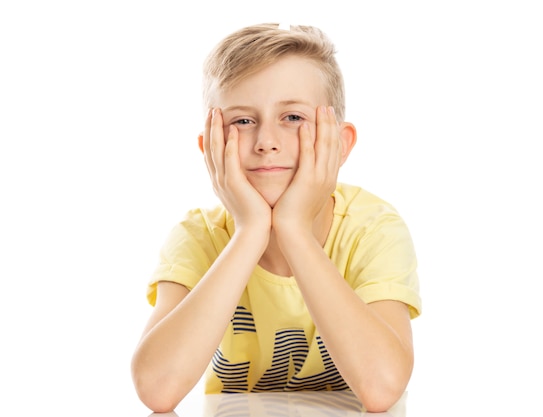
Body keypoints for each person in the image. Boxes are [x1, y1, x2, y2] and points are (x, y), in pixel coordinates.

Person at [131, 22, 421, 413]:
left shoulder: (373, 229)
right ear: (211, 147)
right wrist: (250, 231)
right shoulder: (198, 237)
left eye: (293, 118)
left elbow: (382, 387)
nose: (267, 142)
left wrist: (293, 230)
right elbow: (157, 390)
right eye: (243, 121)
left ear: (341, 142)